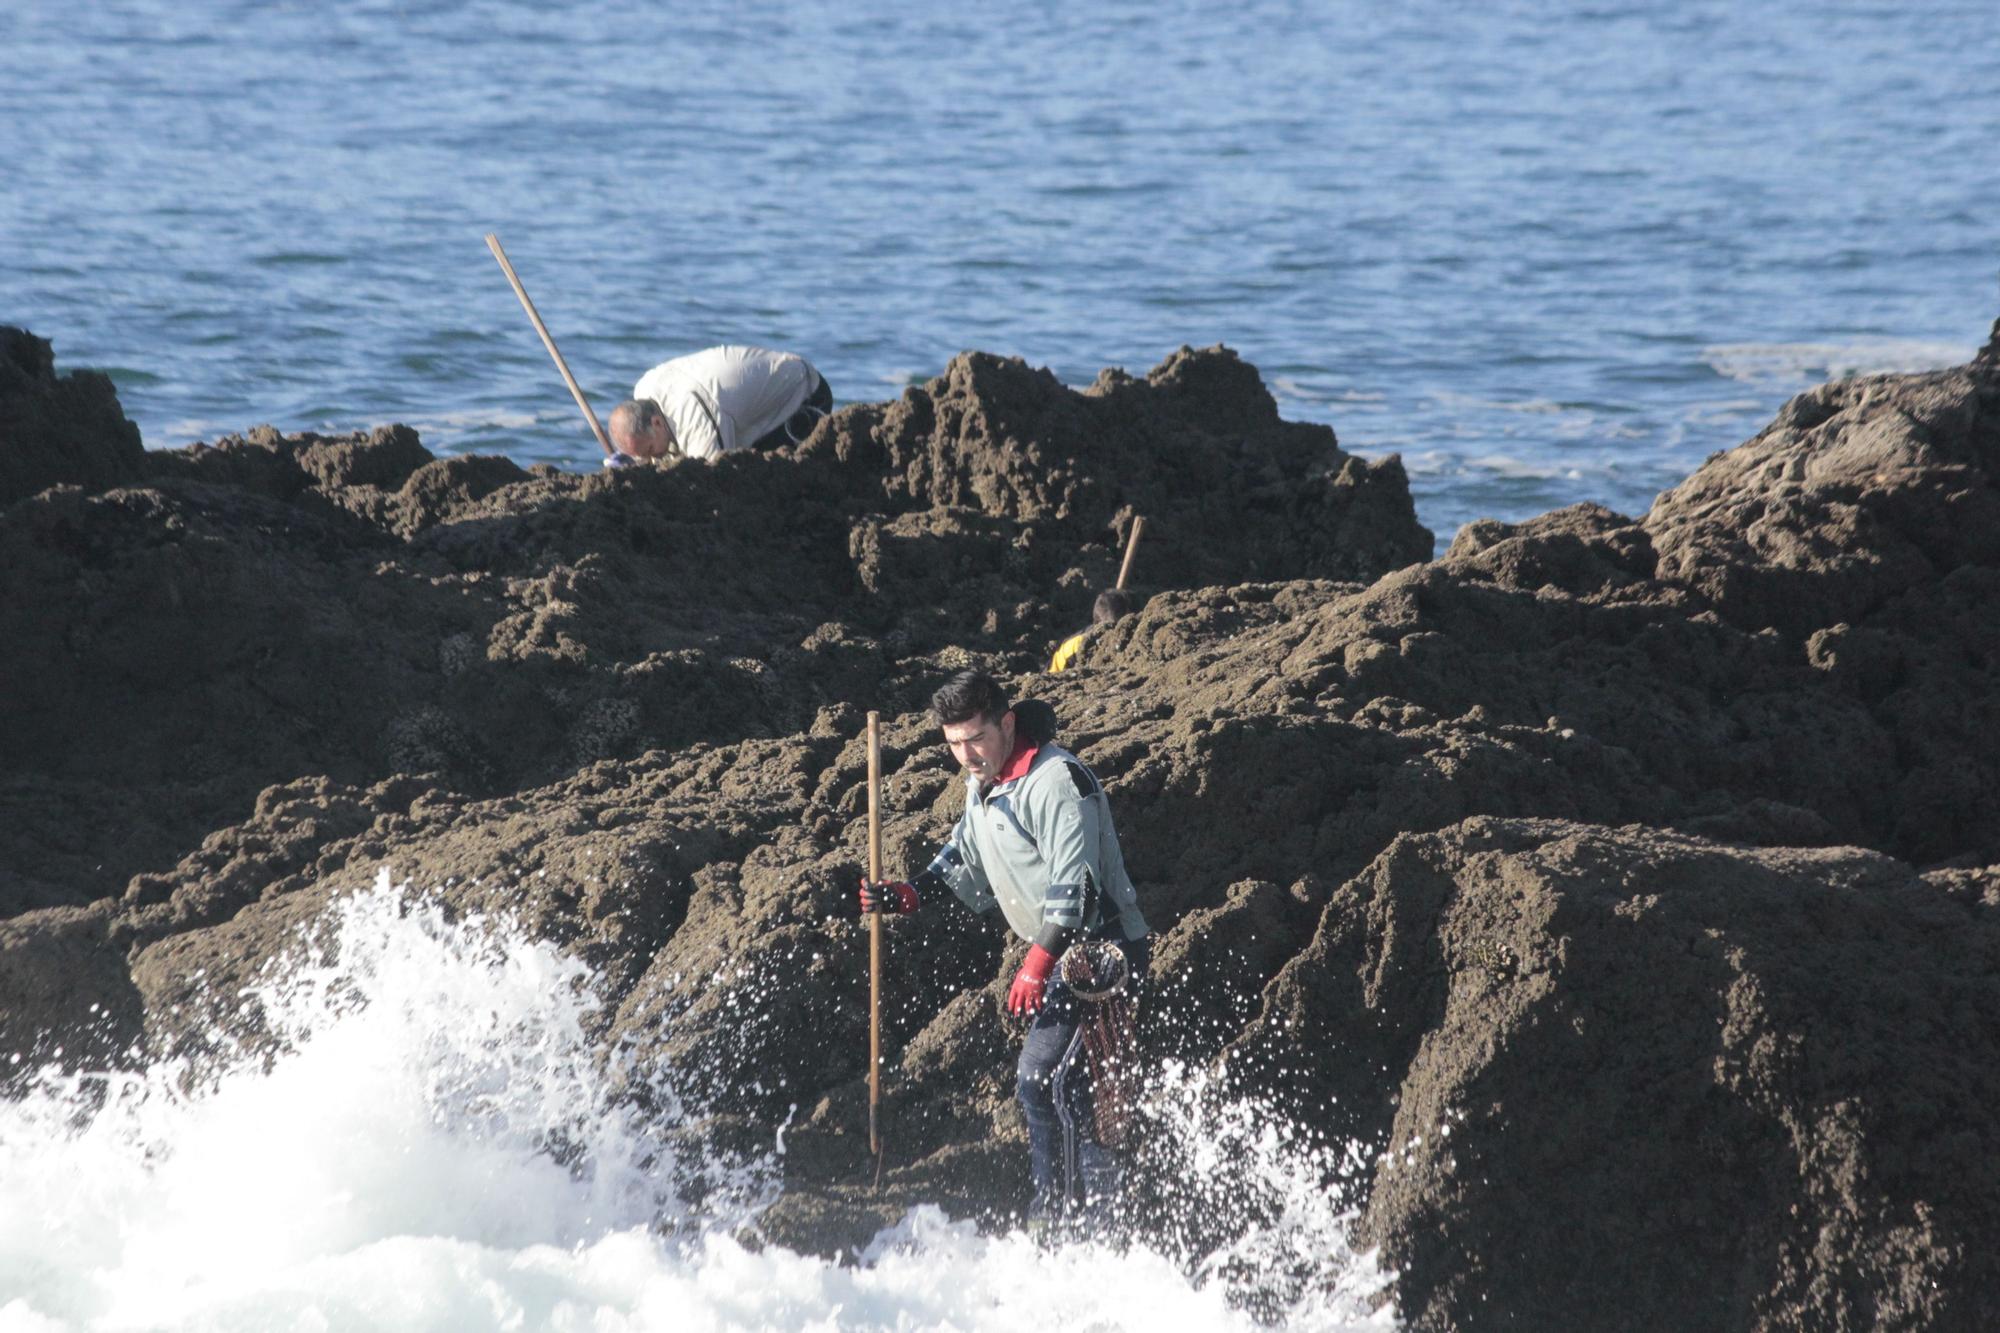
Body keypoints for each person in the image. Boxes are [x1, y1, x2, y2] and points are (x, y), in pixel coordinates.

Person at [860, 671, 1152, 1229]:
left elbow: (1077, 892)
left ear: (1007, 723)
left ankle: (1061, 1220)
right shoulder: (987, 779)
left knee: (1044, 1080)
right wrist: (907, 894)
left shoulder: (1057, 782)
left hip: (1102, 955)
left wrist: (1034, 967)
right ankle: (1103, 1215)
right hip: (1062, 954)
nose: (965, 754)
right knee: (1075, 1094)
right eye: (952, 743)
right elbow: (964, 852)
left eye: (974, 737)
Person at [604, 344, 831, 466]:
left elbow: (710, 478)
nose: (650, 457)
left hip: (803, 395)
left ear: (656, 422)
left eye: (650, 451)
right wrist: (629, 468)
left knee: (749, 471)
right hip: (739, 406)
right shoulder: (645, 388)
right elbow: (650, 450)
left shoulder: (694, 416)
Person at [1049, 588, 1136, 673]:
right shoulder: (1074, 646)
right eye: (1114, 628)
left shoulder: (1134, 634)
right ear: (1099, 625)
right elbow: (1049, 677)